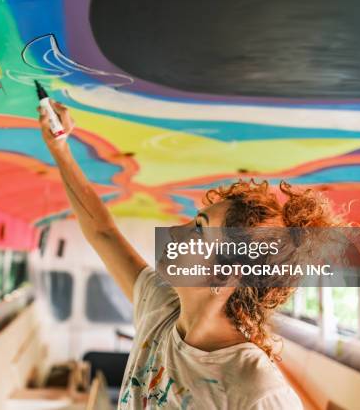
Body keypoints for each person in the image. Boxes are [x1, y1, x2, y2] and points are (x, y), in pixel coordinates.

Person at [37, 100, 339, 409]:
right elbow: (102, 232)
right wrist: (60, 148)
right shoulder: (160, 308)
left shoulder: (260, 393)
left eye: (198, 229)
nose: (173, 231)